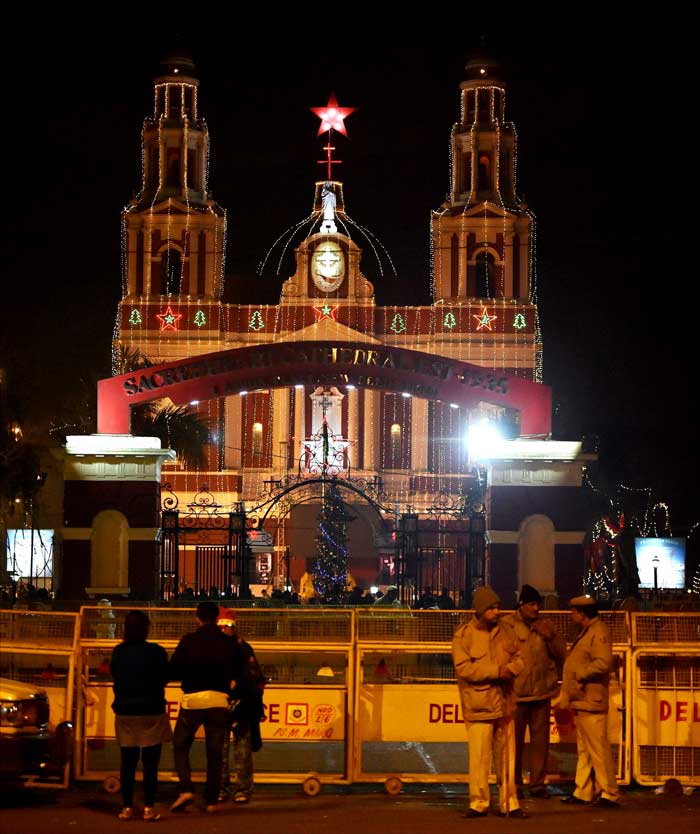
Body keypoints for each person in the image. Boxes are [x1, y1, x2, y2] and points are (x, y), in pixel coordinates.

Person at [452, 586, 527, 819]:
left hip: (504, 703)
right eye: (492, 608)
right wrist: (497, 671)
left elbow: (520, 657)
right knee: (480, 757)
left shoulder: (507, 631)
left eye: (497, 607)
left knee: (508, 757)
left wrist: (511, 670)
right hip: (479, 704)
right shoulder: (464, 635)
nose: (497, 611)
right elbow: (464, 668)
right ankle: (479, 802)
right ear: (481, 610)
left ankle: (509, 802)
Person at [169, 601, 245, 814]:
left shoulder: (188, 641)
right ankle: (211, 799)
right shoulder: (229, 643)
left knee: (181, 744)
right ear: (216, 618)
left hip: (193, 699)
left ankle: (186, 787)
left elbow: (174, 670)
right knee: (215, 752)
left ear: (198, 618)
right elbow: (240, 670)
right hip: (219, 701)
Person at [502, 585, 566, 798]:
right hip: (517, 694)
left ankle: (537, 784)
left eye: (538, 604)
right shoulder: (508, 626)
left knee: (541, 744)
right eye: (531, 604)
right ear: (521, 605)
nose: (536, 608)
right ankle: (516, 784)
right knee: (515, 744)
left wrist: (551, 637)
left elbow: (560, 654)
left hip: (541, 694)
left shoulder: (546, 626)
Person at [558, 594, 620, 808]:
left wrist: (581, 674)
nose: (571, 615)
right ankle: (583, 790)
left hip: (591, 698)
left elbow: (603, 662)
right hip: (584, 699)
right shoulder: (589, 631)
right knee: (585, 749)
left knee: (597, 749)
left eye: (574, 611)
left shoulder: (597, 632)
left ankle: (609, 792)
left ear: (581, 613)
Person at [110, 610, 172, 822]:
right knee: (150, 764)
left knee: (127, 763)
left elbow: (115, 674)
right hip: (152, 711)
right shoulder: (156, 652)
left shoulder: (119, 652)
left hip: (126, 712)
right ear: (146, 628)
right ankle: (148, 807)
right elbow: (166, 676)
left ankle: (127, 807)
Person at [217, 608, 265, 804]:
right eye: (221, 626)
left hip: (241, 705)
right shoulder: (216, 648)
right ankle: (221, 786)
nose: (225, 630)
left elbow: (255, 677)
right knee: (220, 749)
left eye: (228, 626)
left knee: (241, 749)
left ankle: (242, 787)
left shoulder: (243, 648)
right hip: (220, 704)